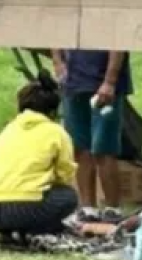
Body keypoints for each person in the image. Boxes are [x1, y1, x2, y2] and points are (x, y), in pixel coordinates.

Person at [0, 76, 79, 247]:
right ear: (53, 111)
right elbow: (65, 174)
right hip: (26, 207)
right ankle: (40, 231)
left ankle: (5, 233)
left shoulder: (7, 130)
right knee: (68, 196)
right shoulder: (55, 132)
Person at [51, 48, 131, 224]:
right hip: (72, 83)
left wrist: (110, 81)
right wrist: (58, 62)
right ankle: (88, 208)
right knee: (80, 148)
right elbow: (56, 31)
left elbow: (118, 41)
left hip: (104, 83)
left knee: (104, 147)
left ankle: (113, 208)